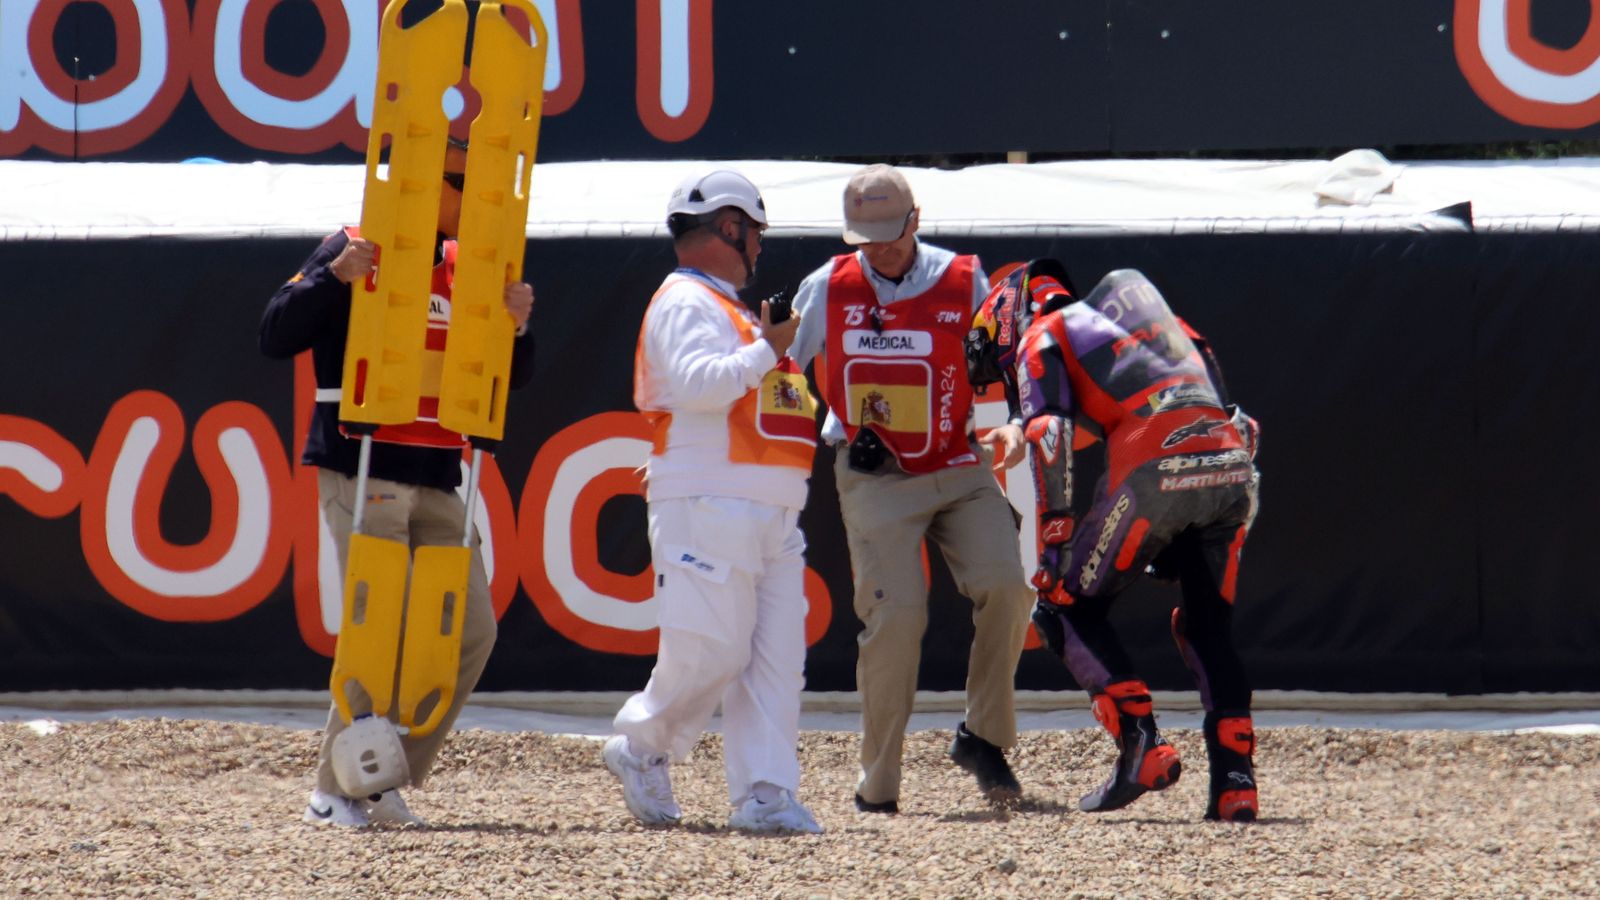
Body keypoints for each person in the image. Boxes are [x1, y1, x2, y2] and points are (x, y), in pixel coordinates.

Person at [259, 137, 537, 828]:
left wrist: (519, 326)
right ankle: (334, 790)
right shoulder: (355, 242)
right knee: (374, 629)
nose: (474, 201)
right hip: (362, 465)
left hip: (441, 473)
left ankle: (374, 773)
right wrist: (336, 278)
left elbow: (513, 377)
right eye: (459, 184)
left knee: (472, 630)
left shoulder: (470, 264)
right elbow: (273, 332)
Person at [966, 260, 1261, 822]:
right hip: (1232, 472)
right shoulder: (1167, 325)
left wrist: (1054, 548)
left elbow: (1049, 434)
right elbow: (1243, 425)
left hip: (1153, 468)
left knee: (1063, 607)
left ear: (1005, 313)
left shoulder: (1042, 332)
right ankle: (1235, 784)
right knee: (1208, 625)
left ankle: (1139, 744)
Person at [787, 164, 1034, 813]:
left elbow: (1004, 365)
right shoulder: (825, 287)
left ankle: (983, 737)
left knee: (1007, 586)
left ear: (916, 221)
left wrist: (1009, 424)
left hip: (958, 462)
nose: (876, 250)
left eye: (889, 236)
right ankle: (880, 782)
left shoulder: (966, 280)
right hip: (874, 475)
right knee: (897, 617)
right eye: (863, 238)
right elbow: (778, 367)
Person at [602, 168, 821, 834]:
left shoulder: (725, 307)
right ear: (731, 227)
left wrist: (766, 348)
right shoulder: (686, 300)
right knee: (713, 651)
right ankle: (640, 745)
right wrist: (768, 348)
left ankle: (765, 792)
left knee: (775, 663)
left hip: (768, 508)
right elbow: (700, 385)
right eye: (754, 232)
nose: (759, 248)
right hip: (712, 502)